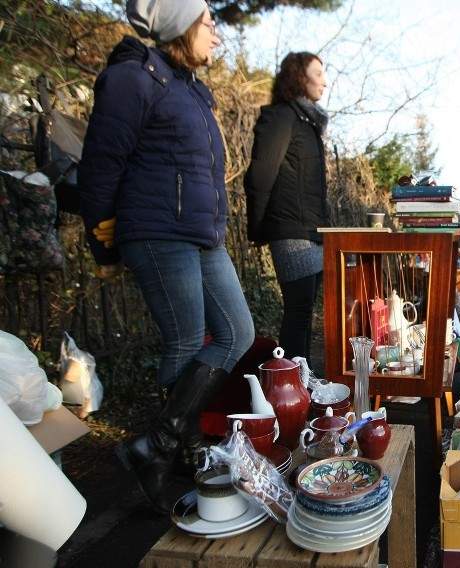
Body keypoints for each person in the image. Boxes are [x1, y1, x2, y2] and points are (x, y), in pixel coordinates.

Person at [77, 0, 255, 514]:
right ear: (180, 23)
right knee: (184, 337)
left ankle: (158, 445)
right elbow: (101, 164)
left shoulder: (190, 88)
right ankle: (185, 450)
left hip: (201, 233)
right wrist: (101, 242)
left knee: (237, 333)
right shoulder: (134, 79)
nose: (217, 36)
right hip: (156, 231)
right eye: (209, 23)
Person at [244, 52, 329, 364]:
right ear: (299, 77)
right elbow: (260, 175)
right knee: (297, 311)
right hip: (290, 229)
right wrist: (258, 230)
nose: (325, 81)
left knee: (304, 311)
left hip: (312, 231)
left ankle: (301, 383)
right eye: (318, 73)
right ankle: (289, 387)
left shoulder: (308, 123)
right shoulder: (281, 116)